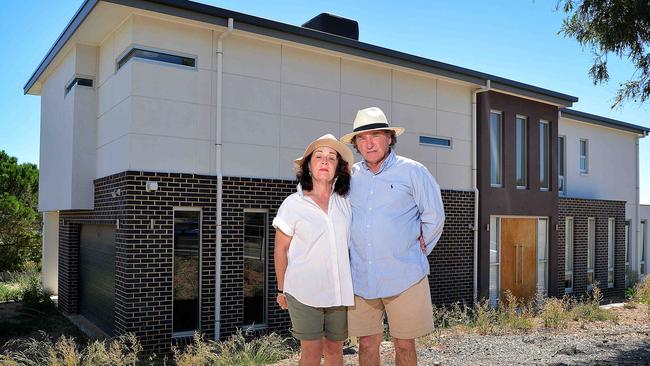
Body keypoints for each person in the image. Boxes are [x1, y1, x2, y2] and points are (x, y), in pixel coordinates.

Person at [340, 107, 445, 366]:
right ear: (356, 144)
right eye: (362, 138)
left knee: (405, 344)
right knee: (366, 344)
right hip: (361, 278)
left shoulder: (413, 172)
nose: (369, 143)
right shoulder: (349, 177)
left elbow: (434, 216)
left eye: (375, 135)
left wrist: (418, 248)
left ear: (389, 138)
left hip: (404, 275)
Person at [273, 134, 355, 366]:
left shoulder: (345, 202)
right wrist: (281, 289)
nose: (325, 161)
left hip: (338, 292)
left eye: (331, 158)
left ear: (338, 168)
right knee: (311, 351)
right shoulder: (293, 204)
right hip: (303, 292)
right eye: (318, 157)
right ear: (308, 165)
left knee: (334, 350)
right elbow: (280, 250)